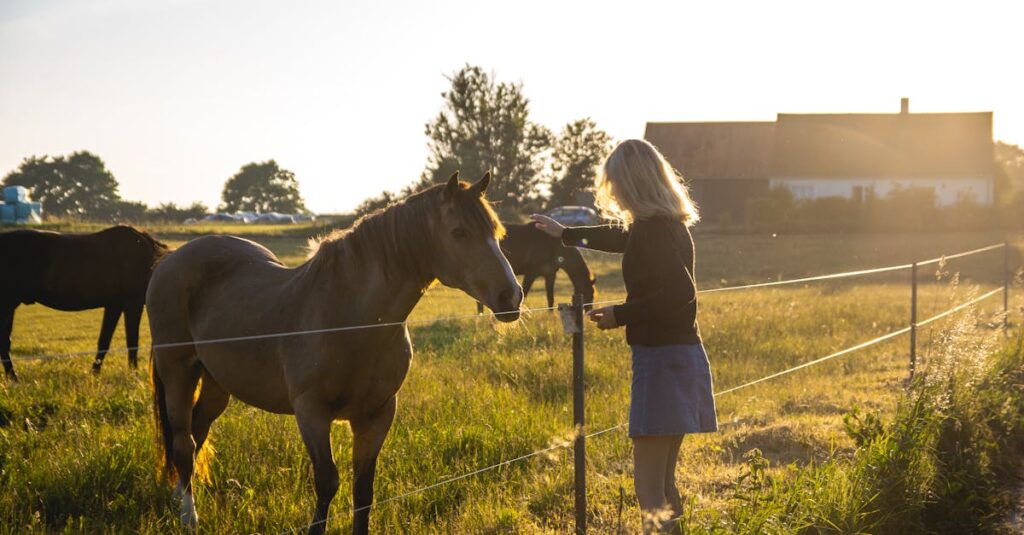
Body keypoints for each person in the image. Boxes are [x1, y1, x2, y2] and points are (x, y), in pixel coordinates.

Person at [531, 139, 717, 534]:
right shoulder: (665, 225)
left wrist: (621, 314)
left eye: (615, 182)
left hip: (661, 361)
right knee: (664, 484)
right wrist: (566, 234)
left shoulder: (652, 230)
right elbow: (619, 239)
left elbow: (679, 294)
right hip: (684, 357)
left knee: (649, 490)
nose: (611, 192)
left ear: (633, 183)